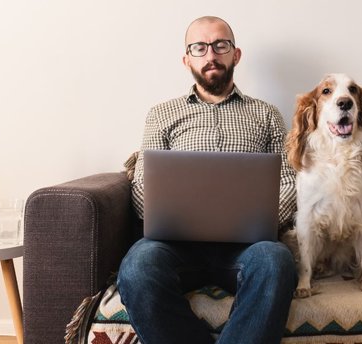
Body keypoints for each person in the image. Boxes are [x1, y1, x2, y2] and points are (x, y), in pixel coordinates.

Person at [117, 16, 297, 344]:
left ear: (235, 54)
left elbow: (288, 180)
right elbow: (142, 185)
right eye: (199, 47)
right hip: (175, 244)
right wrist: (175, 217)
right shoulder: (161, 114)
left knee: (277, 261)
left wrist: (260, 218)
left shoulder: (267, 114)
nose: (210, 54)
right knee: (136, 267)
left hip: (249, 246)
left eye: (220, 45)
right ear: (187, 59)